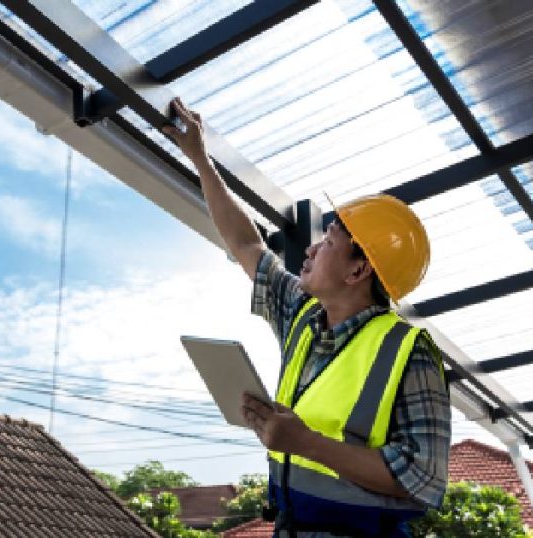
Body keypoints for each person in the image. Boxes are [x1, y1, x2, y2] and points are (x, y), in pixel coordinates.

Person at [163, 98, 451, 537]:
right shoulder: (302, 315)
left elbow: (422, 479)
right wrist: (200, 159)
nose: (311, 250)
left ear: (358, 270)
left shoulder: (407, 352)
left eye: (328, 242)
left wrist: (304, 443)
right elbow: (247, 246)